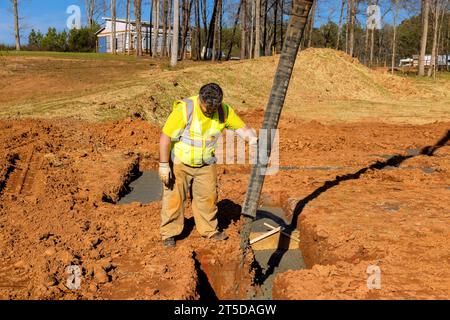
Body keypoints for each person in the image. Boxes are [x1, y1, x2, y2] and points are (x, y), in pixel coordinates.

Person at [158, 83, 257, 248]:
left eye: (213, 108)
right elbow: (165, 136)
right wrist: (163, 164)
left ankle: (209, 230)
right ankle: (169, 233)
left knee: (208, 198)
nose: (209, 112)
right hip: (180, 163)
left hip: (206, 163)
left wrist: (253, 139)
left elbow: (241, 129)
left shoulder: (224, 110)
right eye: (206, 108)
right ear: (200, 99)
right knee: (174, 199)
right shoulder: (185, 109)